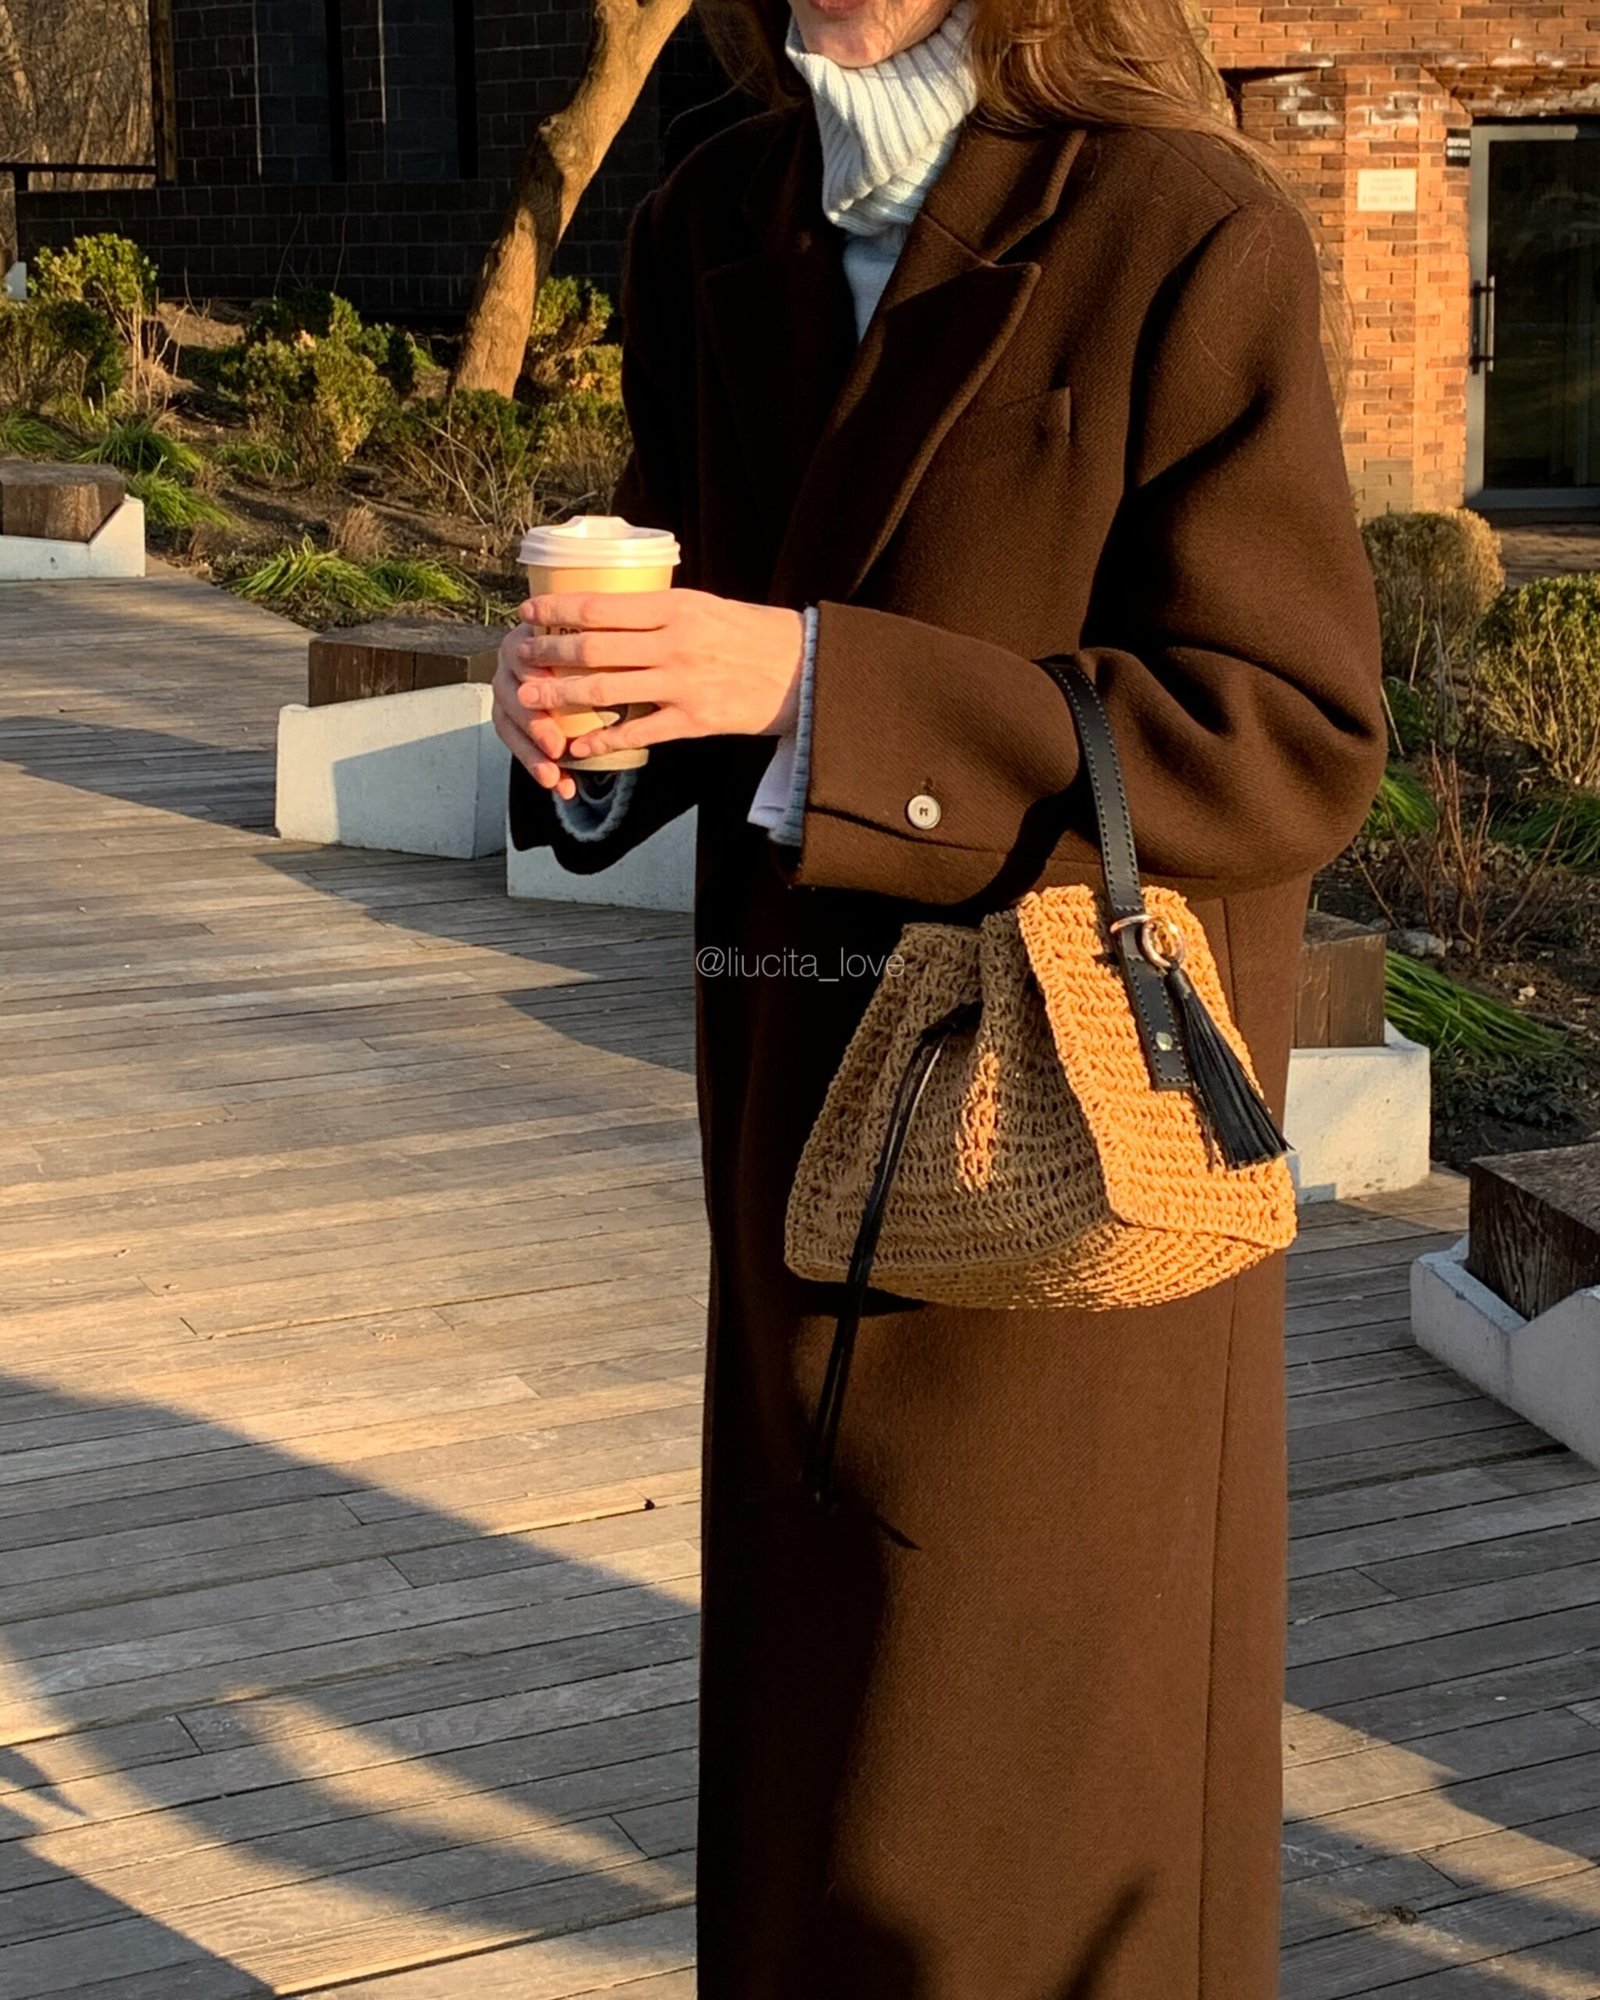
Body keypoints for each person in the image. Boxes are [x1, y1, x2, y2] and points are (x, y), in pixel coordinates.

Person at [493, 0, 1387, 1985]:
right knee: (810, 1805)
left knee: (1013, 1836)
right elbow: (707, 638)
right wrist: (589, 725)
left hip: (1063, 1177)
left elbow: (1285, 735)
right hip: (794, 1147)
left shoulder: (1183, 222)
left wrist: (826, 687)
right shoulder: (714, 213)